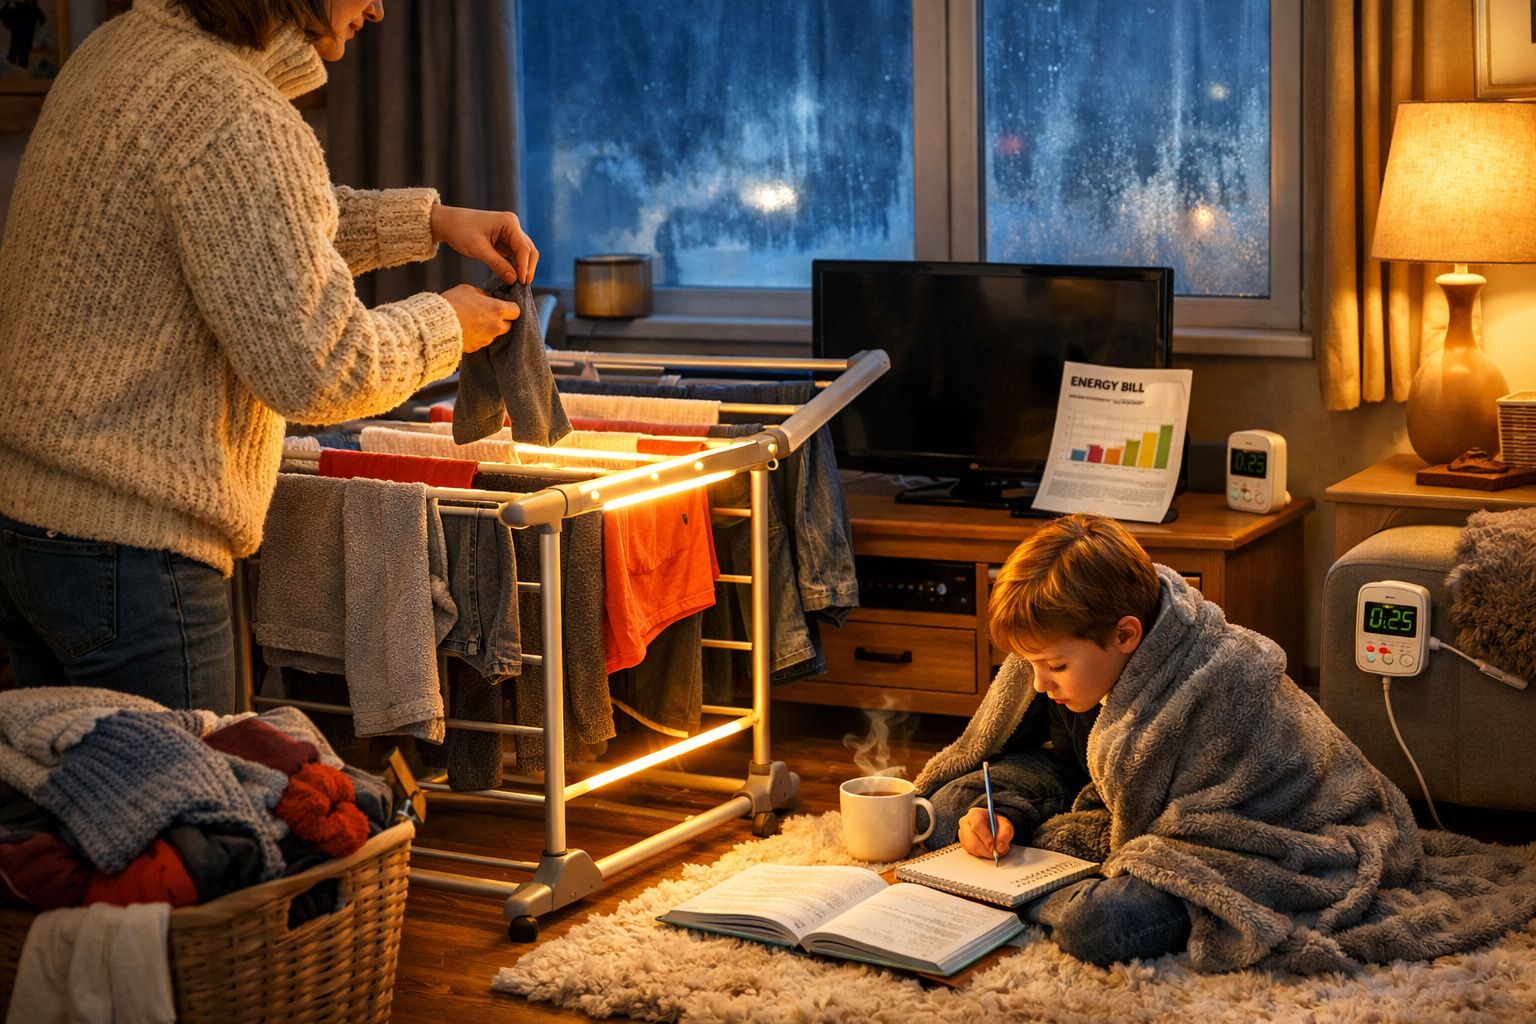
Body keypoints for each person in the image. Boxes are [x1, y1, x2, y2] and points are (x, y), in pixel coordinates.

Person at [0, 0, 539, 714]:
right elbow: (322, 369)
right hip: (133, 552)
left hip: (30, 522)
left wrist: (430, 223)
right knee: (193, 816)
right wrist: (450, 323)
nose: (379, 8)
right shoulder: (236, 115)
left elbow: (253, 226)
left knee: (74, 807)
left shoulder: (121, 50)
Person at [914, 512, 1536, 973]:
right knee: (949, 812)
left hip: (1257, 838)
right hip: (1136, 821)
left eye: (1052, 666)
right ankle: (1038, 870)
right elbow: (1050, 761)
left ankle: (1038, 891)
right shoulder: (1069, 677)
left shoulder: (1222, 676)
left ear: (1126, 635)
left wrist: (1124, 863)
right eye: (1028, 666)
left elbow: (1242, 815)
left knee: (1097, 925)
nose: (1038, 683)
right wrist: (1005, 809)